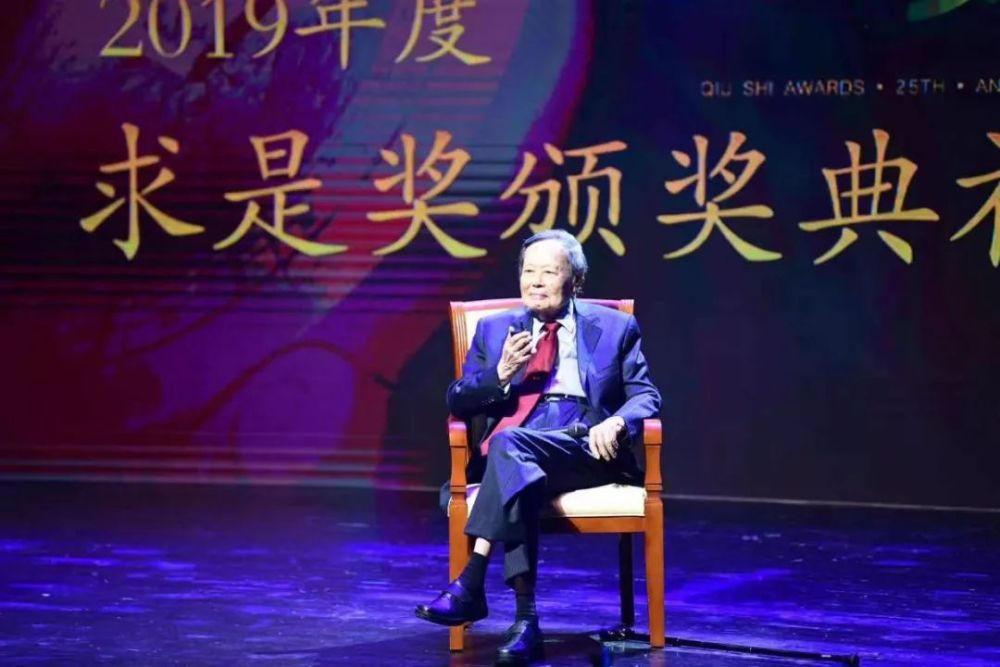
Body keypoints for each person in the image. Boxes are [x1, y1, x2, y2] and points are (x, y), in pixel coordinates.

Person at [415, 229, 661, 664]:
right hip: (518, 440)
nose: (536, 281)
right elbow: (457, 398)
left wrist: (619, 421)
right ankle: (525, 622)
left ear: (575, 281)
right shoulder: (495, 329)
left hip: (584, 446)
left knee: (510, 450)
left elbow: (646, 395)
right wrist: (501, 374)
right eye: (529, 271)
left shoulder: (614, 326)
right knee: (516, 462)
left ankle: (473, 582)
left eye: (549, 272)